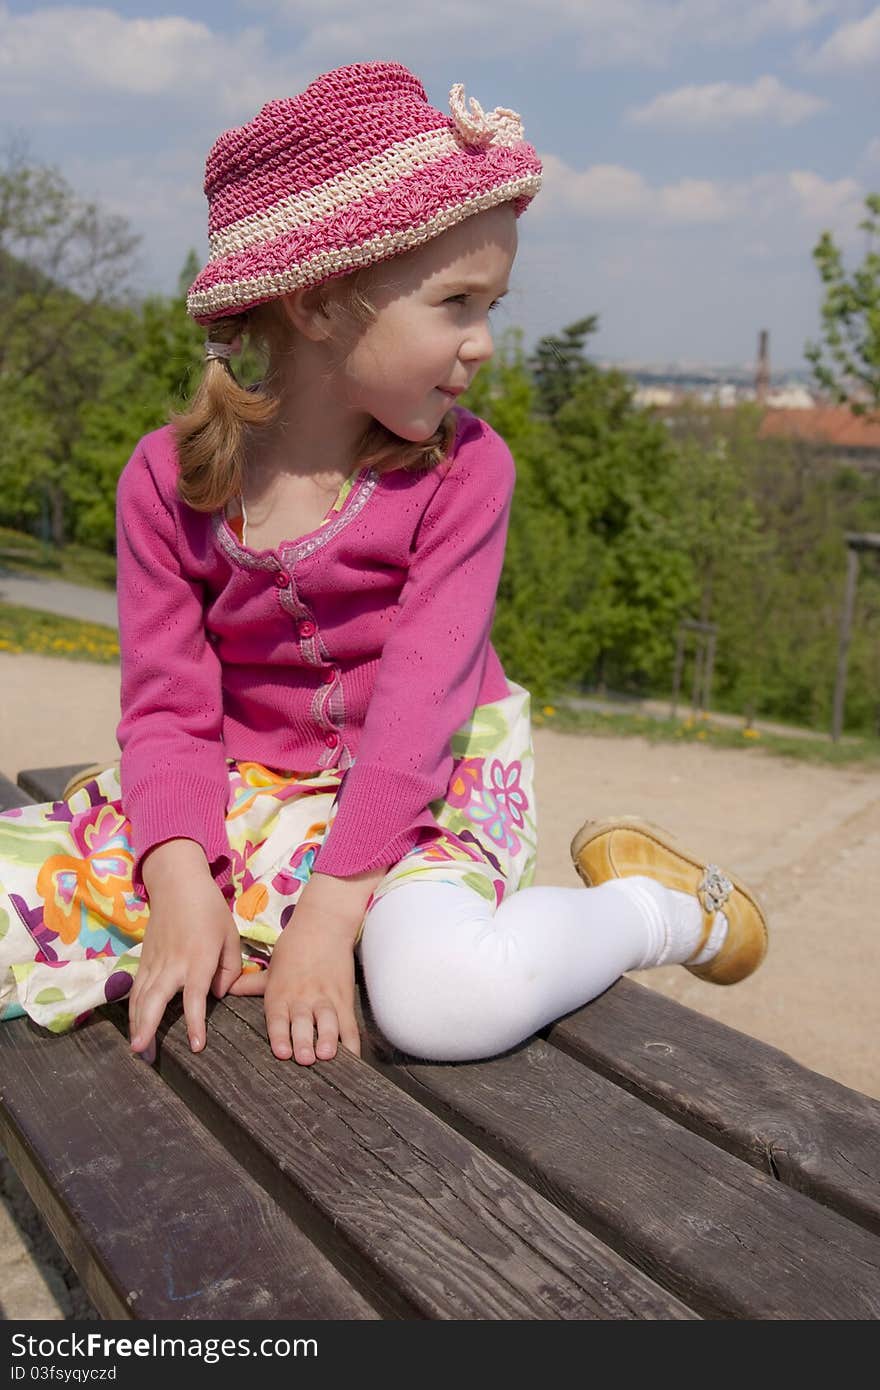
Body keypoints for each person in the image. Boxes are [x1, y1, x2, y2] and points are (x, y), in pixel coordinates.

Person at [0, 61, 767, 1068]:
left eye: (490, 304)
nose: (484, 343)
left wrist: (324, 923)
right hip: (250, 787)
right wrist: (183, 887)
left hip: (424, 782)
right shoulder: (167, 480)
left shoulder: (464, 472)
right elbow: (167, 713)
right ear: (319, 305)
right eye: (456, 303)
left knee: (441, 1001)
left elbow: (415, 719)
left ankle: (656, 908)